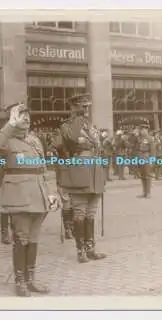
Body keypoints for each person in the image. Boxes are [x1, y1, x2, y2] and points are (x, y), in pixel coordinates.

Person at [0, 102, 59, 297]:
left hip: (39, 194)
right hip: (18, 195)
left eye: (28, 115)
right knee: (21, 237)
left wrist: (51, 193)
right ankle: (19, 281)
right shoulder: (7, 140)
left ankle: (31, 280)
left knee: (34, 238)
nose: (27, 118)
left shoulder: (35, 140)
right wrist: (10, 124)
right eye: (21, 115)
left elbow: (44, 169)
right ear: (13, 119)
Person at [56, 93, 106, 263]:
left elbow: (99, 147)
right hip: (79, 171)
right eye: (82, 106)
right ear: (73, 107)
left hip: (94, 172)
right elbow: (69, 141)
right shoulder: (67, 126)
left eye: (87, 106)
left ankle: (91, 248)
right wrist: (77, 119)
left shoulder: (91, 126)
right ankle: (80, 251)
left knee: (91, 213)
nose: (86, 109)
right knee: (79, 212)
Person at [134, 122, 156, 198]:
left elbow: (153, 150)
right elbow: (135, 147)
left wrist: (152, 160)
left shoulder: (150, 138)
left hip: (147, 157)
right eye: (141, 129)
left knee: (148, 175)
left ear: (147, 130)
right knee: (142, 176)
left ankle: (148, 192)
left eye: (144, 129)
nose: (142, 131)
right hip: (140, 157)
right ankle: (144, 192)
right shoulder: (138, 138)